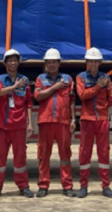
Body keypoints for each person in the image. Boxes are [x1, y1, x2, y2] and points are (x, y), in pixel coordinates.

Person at [0, 49, 35, 199]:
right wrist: (14, 87)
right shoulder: (0, 79)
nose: (13, 63)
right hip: (3, 126)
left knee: (20, 157)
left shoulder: (24, 80)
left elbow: (28, 102)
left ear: (18, 62)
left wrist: (30, 123)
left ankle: (23, 186)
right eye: (10, 60)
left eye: (15, 60)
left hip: (19, 126)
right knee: (0, 157)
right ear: (5, 63)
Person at [75, 47, 112, 199]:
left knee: (104, 152)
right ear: (87, 62)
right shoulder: (80, 77)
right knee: (85, 152)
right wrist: (98, 86)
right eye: (91, 61)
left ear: (100, 62)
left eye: (96, 61)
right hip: (87, 119)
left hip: (102, 120)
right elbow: (82, 95)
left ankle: (106, 186)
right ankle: (83, 186)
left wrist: (103, 108)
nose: (93, 64)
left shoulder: (106, 78)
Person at [34, 48, 76, 198]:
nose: (51, 65)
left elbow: (72, 100)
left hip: (63, 122)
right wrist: (54, 87)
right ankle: (43, 185)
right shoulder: (40, 79)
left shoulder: (67, 79)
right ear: (46, 64)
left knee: (65, 155)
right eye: (49, 62)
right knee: (44, 155)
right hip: (46, 121)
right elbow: (38, 96)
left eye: (54, 62)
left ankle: (67, 185)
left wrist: (73, 119)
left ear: (59, 63)